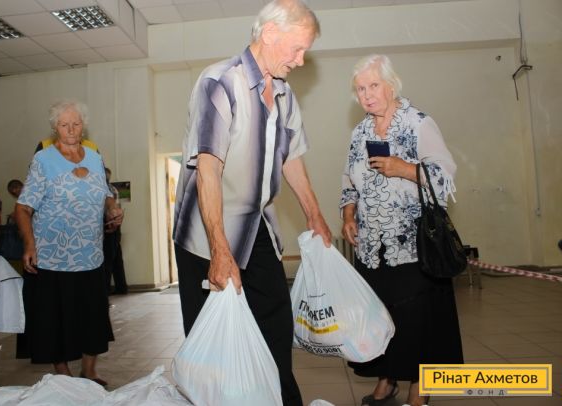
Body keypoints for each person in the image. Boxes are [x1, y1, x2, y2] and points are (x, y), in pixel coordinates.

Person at [173, 1, 331, 404]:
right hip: (205, 232)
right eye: (297, 48)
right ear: (270, 34)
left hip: (256, 225)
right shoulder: (219, 82)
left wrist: (315, 215)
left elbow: (291, 158)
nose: (301, 60)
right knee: (212, 345)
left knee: (276, 325)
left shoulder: (284, 94)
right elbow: (208, 169)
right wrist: (219, 250)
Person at [340, 54, 463, 406]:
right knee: (382, 318)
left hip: (414, 246)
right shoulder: (360, 133)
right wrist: (348, 215)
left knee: (418, 320)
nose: (366, 95)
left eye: (373, 85)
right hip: (371, 248)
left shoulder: (418, 123)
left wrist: (404, 168)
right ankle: (387, 379)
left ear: (391, 86)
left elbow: (445, 177)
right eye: (360, 89)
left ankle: (419, 389)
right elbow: (348, 180)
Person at [15, 99, 123, 386]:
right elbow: (23, 208)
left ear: (83, 125)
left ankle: (89, 371)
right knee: (55, 318)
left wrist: (112, 209)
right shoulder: (43, 160)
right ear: (55, 128)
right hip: (53, 256)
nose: (71, 129)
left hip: (90, 254)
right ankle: (64, 376)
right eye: (64, 125)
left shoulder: (94, 157)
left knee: (93, 315)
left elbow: (105, 194)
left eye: (76, 123)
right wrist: (30, 245)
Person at [103, 168, 128, 295]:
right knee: (117, 259)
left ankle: (105, 290)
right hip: (116, 226)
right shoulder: (113, 189)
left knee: (107, 260)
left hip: (109, 226)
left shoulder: (107, 189)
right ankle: (121, 287)